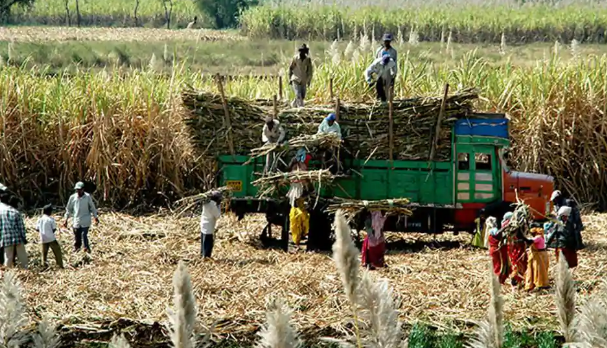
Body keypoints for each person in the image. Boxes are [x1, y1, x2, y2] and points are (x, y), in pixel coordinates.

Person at [64, 181, 99, 253]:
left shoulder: (87, 197)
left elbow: (92, 207)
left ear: (83, 189)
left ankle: (86, 248)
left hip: (85, 219)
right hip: (76, 219)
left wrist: (95, 217)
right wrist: (66, 219)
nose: (78, 191)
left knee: (84, 234)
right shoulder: (72, 197)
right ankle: (77, 247)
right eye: (77, 190)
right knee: (77, 235)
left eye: (80, 190)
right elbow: (68, 209)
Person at [502, 212, 531, 290]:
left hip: (514, 248)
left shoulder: (511, 225)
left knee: (517, 263)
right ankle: (516, 280)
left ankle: (519, 280)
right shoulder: (513, 226)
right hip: (516, 248)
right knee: (518, 263)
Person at [0, 189, 28, 269]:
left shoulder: (0, 212)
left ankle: (8, 273)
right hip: (17, 237)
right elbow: (21, 227)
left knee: (8, 257)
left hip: (6, 238)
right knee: (22, 256)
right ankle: (25, 270)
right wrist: (23, 237)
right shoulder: (15, 212)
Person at [36, 204, 64, 269]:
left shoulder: (40, 219)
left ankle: (44, 266)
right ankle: (60, 265)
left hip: (43, 239)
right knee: (57, 251)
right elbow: (54, 229)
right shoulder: (50, 219)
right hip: (51, 238)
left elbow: (37, 229)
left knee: (44, 254)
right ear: (49, 212)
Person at [524, 223, 549, 291]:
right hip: (542, 254)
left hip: (539, 255)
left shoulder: (538, 237)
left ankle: (540, 283)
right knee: (541, 269)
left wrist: (523, 237)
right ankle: (541, 283)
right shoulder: (541, 236)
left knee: (538, 269)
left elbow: (530, 241)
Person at [488, 216, 510, 285]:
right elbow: (497, 233)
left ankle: (498, 279)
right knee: (499, 264)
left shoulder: (490, 231)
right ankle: (499, 279)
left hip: (493, 249)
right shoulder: (493, 230)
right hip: (496, 249)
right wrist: (505, 228)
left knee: (497, 264)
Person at [201, 191, 222, 259]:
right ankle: (206, 257)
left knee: (203, 242)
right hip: (209, 227)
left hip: (203, 224)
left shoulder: (206, 203)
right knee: (208, 243)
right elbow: (218, 215)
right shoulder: (213, 206)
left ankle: (203, 255)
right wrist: (219, 206)